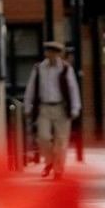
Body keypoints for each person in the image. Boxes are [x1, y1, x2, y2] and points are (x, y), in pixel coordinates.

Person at [22, 42, 81, 177]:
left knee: (61, 141)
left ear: (58, 54)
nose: (50, 54)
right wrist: (27, 106)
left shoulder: (66, 68)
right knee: (43, 137)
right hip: (44, 107)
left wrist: (75, 108)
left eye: (54, 52)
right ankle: (49, 162)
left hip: (61, 108)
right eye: (48, 52)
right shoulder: (39, 68)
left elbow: (73, 89)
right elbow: (31, 88)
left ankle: (58, 170)